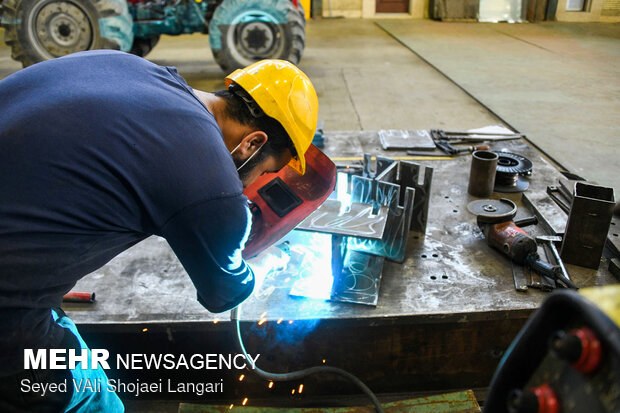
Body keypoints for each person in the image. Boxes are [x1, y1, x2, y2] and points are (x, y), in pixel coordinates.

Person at [0, 50, 318, 412]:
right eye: (264, 172)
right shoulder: (211, 181)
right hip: (8, 310)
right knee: (96, 402)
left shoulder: (132, 66)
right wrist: (266, 263)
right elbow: (223, 291)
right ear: (253, 143)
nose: (255, 183)